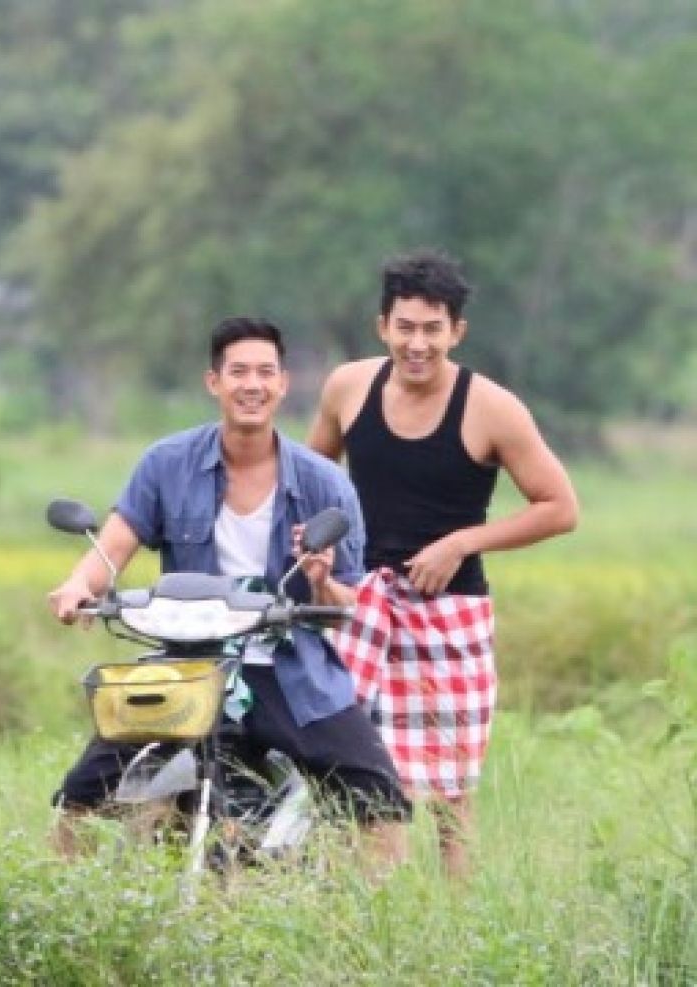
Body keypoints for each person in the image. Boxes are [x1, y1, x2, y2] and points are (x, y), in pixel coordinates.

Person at [47, 316, 410, 873]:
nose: (252, 384)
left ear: (283, 384)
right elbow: (113, 545)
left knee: (379, 797)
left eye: (265, 372)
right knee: (79, 799)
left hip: (287, 669)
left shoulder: (324, 483)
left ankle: (383, 911)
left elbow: (345, 605)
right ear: (214, 382)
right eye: (239, 372)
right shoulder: (167, 464)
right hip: (188, 667)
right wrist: (79, 585)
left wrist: (319, 578)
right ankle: (63, 900)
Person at [308, 248, 579, 879]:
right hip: (356, 604)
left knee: (451, 793)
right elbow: (311, 481)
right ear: (382, 326)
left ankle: (455, 923)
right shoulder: (348, 387)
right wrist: (317, 554)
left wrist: (462, 543)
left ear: (457, 331)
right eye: (405, 327)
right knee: (349, 772)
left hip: (449, 614)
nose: (418, 344)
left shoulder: (493, 408)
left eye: (433, 329)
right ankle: (363, 905)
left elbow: (560, 508)